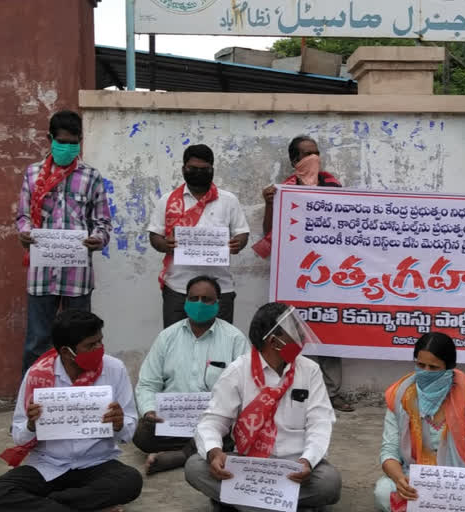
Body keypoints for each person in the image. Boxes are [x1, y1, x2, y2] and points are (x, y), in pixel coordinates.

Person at [184, 302, 342, 512]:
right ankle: (286, 504)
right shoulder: (238, 370)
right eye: (294, 331)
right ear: (273, 341)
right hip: (249, 465)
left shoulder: (309, 370)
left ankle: (239, 501)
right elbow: (212, 421)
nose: (302, 336)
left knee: (329, 483)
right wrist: (214, 452)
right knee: (195, 467)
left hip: (294, 468)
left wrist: (308, 461)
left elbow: (320, 422)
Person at [0, 310, 142, 511]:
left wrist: (120, 423)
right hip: (48, 465)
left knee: (130, 481)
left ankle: (52, 506)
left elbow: (128, 431)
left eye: (100, 342)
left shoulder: (114, 369)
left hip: (96, 463)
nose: (99, 349)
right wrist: (30, 425)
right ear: (65, 352)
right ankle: (83, 506)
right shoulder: (37, 376)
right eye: (90, 345)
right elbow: (19, 436)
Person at [256, 135, 354, 413]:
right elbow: (269, 233)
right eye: (307, 154)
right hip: (295, 276)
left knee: (331, 330)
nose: (313, 159)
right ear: (294, 161)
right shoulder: (283, 190)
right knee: (290, 332)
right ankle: (292, 388)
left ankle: (332, 392)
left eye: (316, 153)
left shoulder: (332, 185)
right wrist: (270, 204)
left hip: (329, 274)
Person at [375, 332, 465, 512]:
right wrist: (399, 481)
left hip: (461, 479)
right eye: (420, 365)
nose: (425, 372)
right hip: (415, 477)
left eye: (433, 368)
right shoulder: (399, 396)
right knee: (383, 493)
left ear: (449, 368)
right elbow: (389, 451)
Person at [16, 110, 112, 371]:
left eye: (73, 142)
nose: (68, 147)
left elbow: (102, 222)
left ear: (80, 140)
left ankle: (80, 397)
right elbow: (23, 216)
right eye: (62, 141)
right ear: (50, 138)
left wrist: (97, 239)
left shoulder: (91, 176)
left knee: (82, 340)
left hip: (77, 275)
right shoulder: (32, 174)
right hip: (41, 272)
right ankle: (32, 402)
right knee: (38, 340)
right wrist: (25, 232)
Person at [133, 275, 248, 475]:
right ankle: (196, 450)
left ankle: (181, 455)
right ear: (185, 301)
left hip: (216, 421)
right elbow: (147, 384)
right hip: (173, 421)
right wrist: (150, 410)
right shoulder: (167, 337)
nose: (199, 304)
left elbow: (246, 388)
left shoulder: (235, 339)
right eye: (193, 299)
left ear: (218, 304)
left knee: (233, 434)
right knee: (142, 434)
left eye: (206, 299)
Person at [148, 144, 250, 328]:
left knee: (220, 347)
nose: (198, 173)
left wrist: (238, 243)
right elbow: (155, 235)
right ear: (183, 169)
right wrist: (165, 244)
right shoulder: (168, 200)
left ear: (212, 169)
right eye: (192, 169)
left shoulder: (228, 200)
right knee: (176, 345)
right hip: (178, 288)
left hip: (220, 289)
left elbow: (242, 233)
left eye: (204, 169)